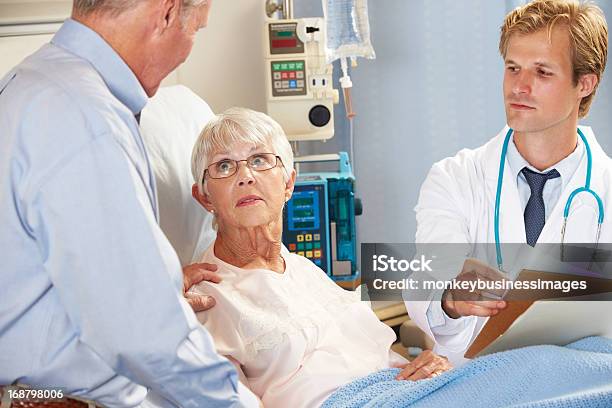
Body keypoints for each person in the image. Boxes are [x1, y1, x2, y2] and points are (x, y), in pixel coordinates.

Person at [0, 1, 259, 406]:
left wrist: (160, 286)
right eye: (196, 29)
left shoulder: (31, 83)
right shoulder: (85, 118)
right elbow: (143, 331)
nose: (247, 175)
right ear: (168, 14)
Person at [188, 107, 453, 408]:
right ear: (205, 197)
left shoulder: (303, 270)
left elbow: (374, 355)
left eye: (259, 160)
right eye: (224, 166)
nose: (245, 176)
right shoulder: (207, 299)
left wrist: (428, 369)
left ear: (288, 184)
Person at [406, 0, 611, 366]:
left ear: (585, 83)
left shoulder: (606, 188)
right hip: (477, 382)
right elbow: (427, 276)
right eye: (513, 68)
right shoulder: (454, 179)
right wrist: (450, 296)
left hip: (583, 378)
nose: (520, 86)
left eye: (542, 72)